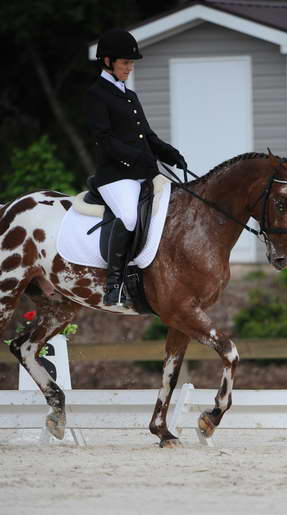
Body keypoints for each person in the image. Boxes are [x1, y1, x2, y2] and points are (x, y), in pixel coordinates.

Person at [86, 28, 187, 307]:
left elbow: (148, 137)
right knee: (130, 217)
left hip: (141, 173)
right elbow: (103, 140)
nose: (130, 68)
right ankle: (114, 285)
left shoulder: (129, 96)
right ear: (107, 61)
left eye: (131, 63)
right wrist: (135, 157)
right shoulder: (96, 94)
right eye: (126, 63)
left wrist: (169, 152)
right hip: (115, 176)